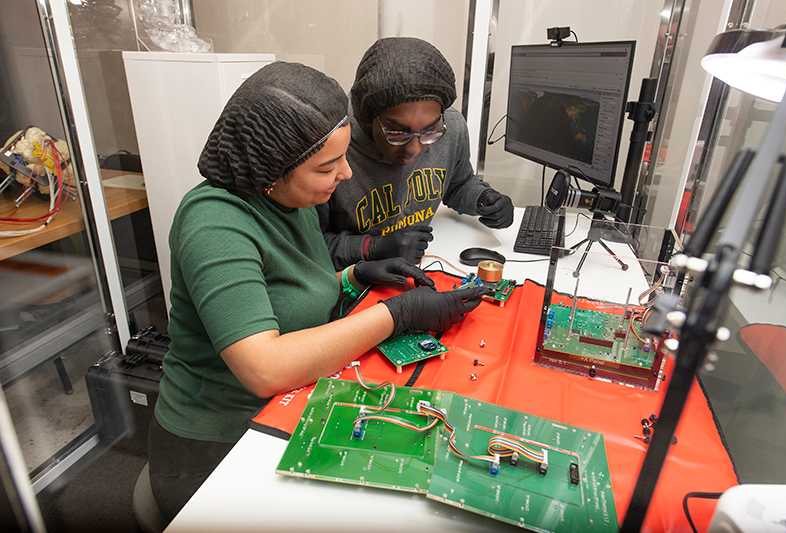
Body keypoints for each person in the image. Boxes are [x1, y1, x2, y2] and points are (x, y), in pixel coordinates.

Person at [147, 61, 489, 521]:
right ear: (272, 168)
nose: (346, 175)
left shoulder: (293, 198)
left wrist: (356, 277)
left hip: (286, 406)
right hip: (217, 443)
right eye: (328, 166)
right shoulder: (214, 221)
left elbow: (289, 297)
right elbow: (264, 367)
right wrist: (398, 314)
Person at [317, 37, 515, 269]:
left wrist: (483, 199)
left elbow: (457, 183)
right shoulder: (331, 146)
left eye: (429, 131)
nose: (413, 149)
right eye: (398, 132)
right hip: (350, 280)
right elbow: (304, 248)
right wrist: (372, 247)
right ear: (367, 117)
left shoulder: (451, 126)